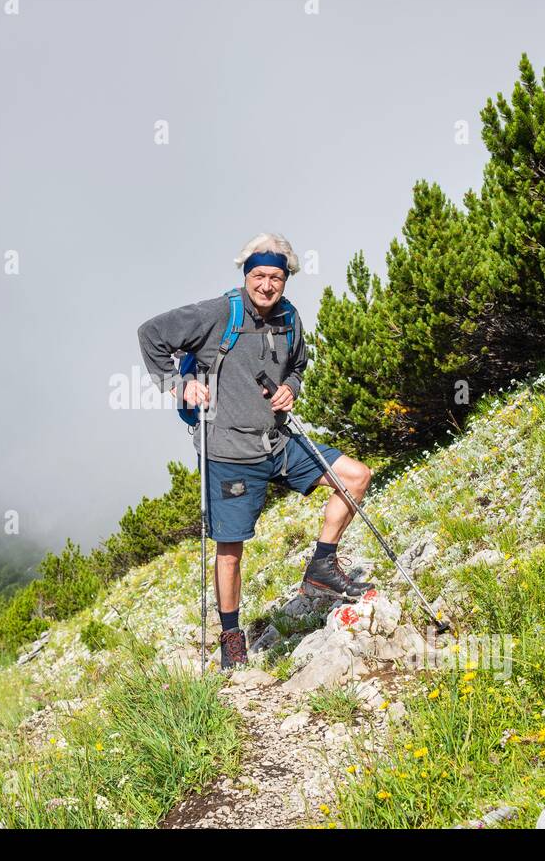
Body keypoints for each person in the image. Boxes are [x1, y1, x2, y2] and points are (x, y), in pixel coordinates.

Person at [137, 232, 375, 669]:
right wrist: (179, 384)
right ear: (246, 274)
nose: (267, 285)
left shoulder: (290, 317)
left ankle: (321, 568)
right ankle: (231, 637)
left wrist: (291, 388)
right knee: (230, 550)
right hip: (228, 452)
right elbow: (150, 335)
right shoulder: (216, 314)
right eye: (259, 275)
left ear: (287, 279)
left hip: (278, 443)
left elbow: (299, 365)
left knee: (356, 477)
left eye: (277, 277)